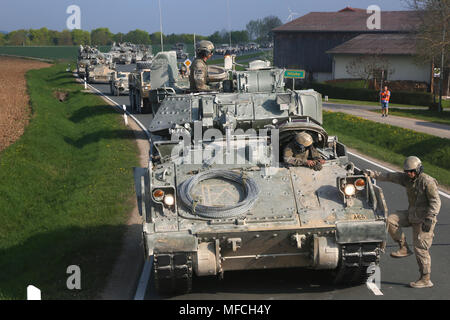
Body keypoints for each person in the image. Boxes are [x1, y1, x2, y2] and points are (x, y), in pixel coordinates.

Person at [366, 156, 441, 288]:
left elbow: (436, 202)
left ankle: (425, 279)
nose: (409, 174)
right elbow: (389, 176)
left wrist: (430, 217)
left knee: (421, 248)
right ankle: (404, 247)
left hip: (424, 220)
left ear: (418, 169)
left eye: (411, 171)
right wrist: (372, 174)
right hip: (412, 214)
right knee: (391, 220)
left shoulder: (428, 182)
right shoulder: (406, 178)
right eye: (406, 171)